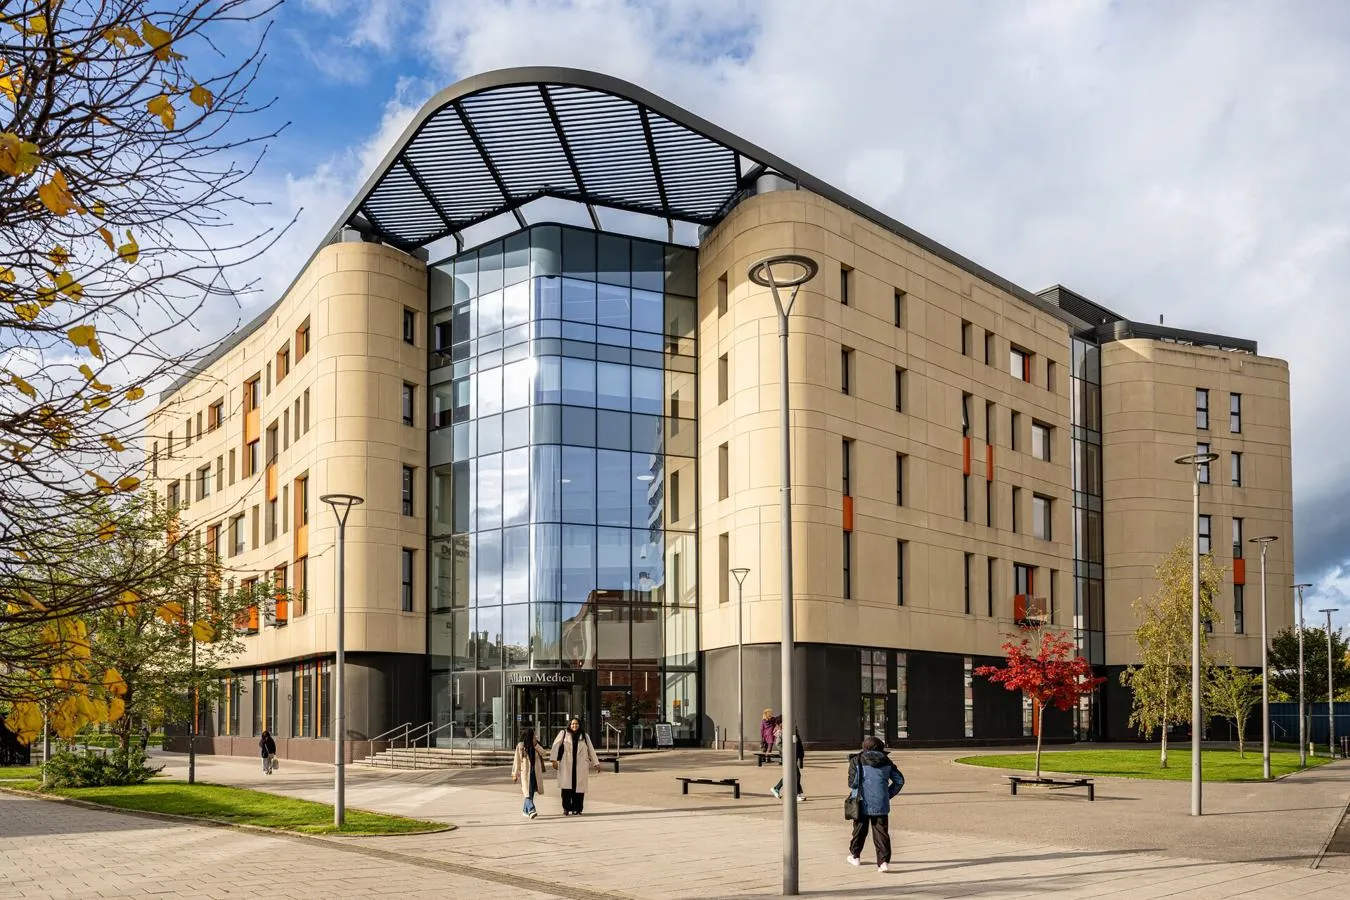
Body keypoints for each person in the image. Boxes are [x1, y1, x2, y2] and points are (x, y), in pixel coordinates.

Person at [847, 736, 905, 873]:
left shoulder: (856, 760)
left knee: (859, 831)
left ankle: (855, 856)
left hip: (861, 801)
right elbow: (900, 781)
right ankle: (883, 862)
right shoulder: (887, 761)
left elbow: (852, 783)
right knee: (881, 833)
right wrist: (887, 794)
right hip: (881, 802)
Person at [551, 717, 601, 815]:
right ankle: (566, 808)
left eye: (576, 724)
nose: (574, 725)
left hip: (580, 766)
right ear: (569, 725)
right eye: (573, 724)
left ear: (579, 725)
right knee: (566, 789)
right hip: (566, 765)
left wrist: (596, 763)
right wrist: (553, 760)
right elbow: (555, 746)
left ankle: (577, 808)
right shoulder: (563, 734)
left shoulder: (585, 736)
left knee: (579, 790)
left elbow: (591, 749)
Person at [512, 727, 547, 819]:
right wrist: (515, 773)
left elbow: (544, 753)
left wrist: (536, 745)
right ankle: (531, 809)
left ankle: (525, 811)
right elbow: (517, 760)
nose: (534, 736)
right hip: (525, 772)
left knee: (530, 792)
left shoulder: (536, 745)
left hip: (535, 771)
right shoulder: (521, 746)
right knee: (527, 792)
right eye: (533, 735)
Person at [771, 726, 805, 801]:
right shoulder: (782, 731)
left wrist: (801, 755)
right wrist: (787, 750)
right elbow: (778, 744)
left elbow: (799, 744)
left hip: (794, 756)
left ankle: (776, 788)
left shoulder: (795, 730)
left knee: (789, 775)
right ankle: (797, 794)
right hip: (788, 757)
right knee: (797, 774)